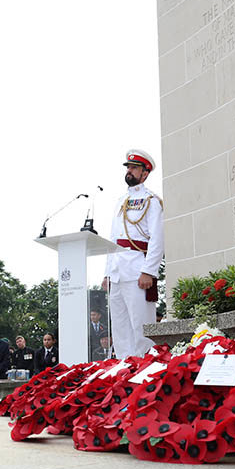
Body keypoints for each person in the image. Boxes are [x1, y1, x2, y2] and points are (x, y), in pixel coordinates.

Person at [103, 149, 163, 358]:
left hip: (138, 269)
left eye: (134, 168)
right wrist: (107, 273)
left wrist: (149, 271)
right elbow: (112, 240)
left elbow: (157, 239)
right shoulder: (121, 201)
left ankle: (144, 370)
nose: (129, 171)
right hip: (118, 271)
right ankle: (123, 370)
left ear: (145, 173)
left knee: (141, 327)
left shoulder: (152, 201)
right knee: (119, 328)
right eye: (128, 167)